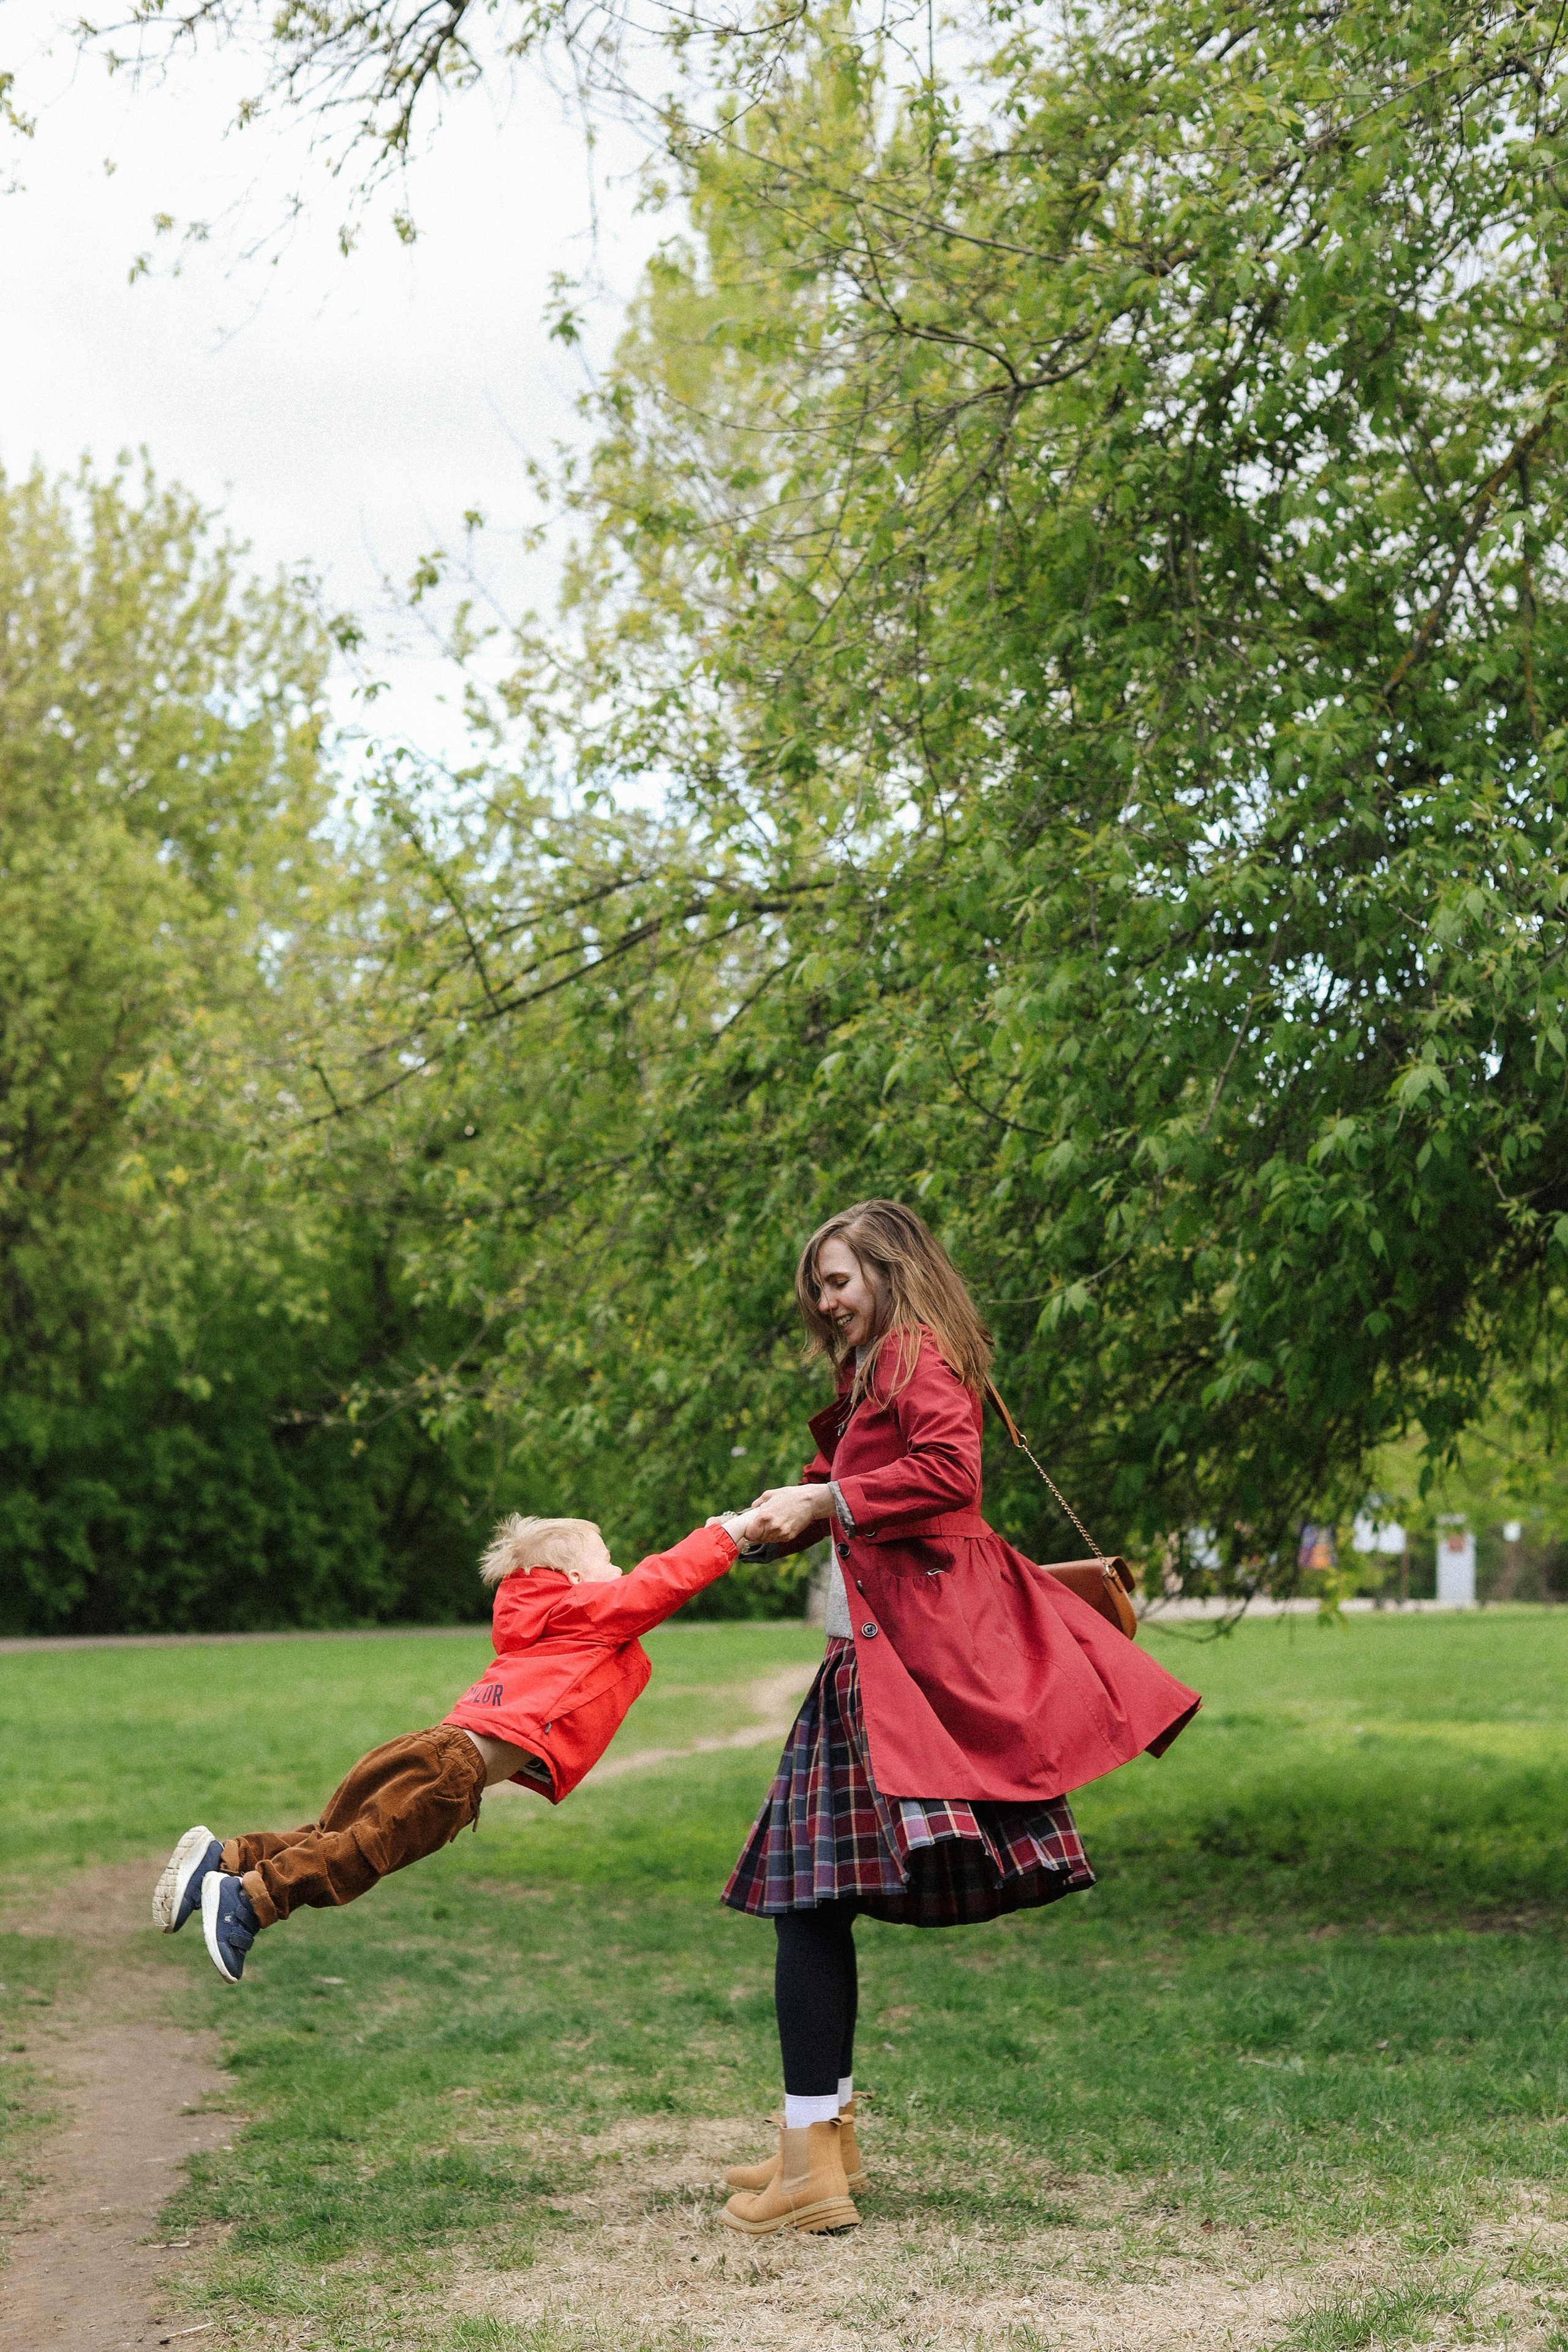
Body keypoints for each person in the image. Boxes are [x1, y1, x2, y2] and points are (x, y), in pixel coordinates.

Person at [715, 1200, 1201, 2238]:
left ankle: (815, 2160)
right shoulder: (886, 1365)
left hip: (898, 1661)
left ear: (891, 1270)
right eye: (817, 1285)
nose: (823, 1299)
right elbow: (854, 1481)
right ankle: (823, 2140)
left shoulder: (913, 1352)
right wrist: (778, 1513)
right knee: (818, 1900)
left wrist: (828, 1504)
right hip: (877, 1655)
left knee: (807, 1902)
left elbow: (948, 1473)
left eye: (838, 1278)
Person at [153, 1508, 756, 1983]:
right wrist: (726, 1537)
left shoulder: (549, 1619)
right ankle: (250, 1901)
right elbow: (661, 1583)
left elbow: (642, 1595)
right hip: (452, 1769)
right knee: (363, 1854)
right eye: (609, 1561)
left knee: (332, 1836)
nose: (621, 1570)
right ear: (573, 1580)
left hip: (436, 1747)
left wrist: (711, 1533)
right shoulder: (588, 1610)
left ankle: (225, 1860)